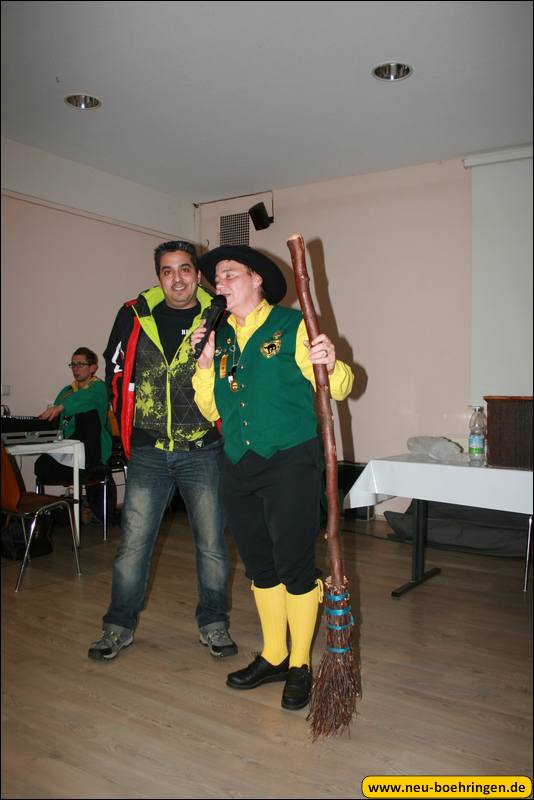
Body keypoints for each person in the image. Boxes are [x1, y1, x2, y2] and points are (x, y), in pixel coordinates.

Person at [191, 244, 354, 711]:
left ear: (257, 279)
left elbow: (340, 387)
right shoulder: (219, 336)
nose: (220, 284)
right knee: (260, 566)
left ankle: (300, 663)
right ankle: (275, 655)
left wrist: (331, 361)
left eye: (229, 274)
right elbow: (209, 408)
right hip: (237, 462)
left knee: (294, 565)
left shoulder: (292, 325)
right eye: (217, 279)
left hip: (289, 461)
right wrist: (204, 367)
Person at [87, 240, 237, 662]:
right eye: (168, 271)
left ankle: (213, 622)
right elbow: (116, 368)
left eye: (185, 269)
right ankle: (117, 626)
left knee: (212, 545)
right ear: (159, 277)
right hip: (148, 450)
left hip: (204, 449)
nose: (178, 279)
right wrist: (126, 420)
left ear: (197, 274)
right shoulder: (133, 314)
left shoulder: (220, 315)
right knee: (132, 546)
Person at [35, 347, 117, 523]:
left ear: (93, 367)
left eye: (81, 364)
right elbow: (57, 421)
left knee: (87, 414)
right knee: (40, 466)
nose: (76, 368)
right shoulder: (66, 391)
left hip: (91, 451)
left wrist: (61, 407)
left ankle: (86, 490)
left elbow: (86, 399)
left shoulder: (99, 387)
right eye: (73, 364)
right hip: (68, 450)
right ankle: (52, 515)